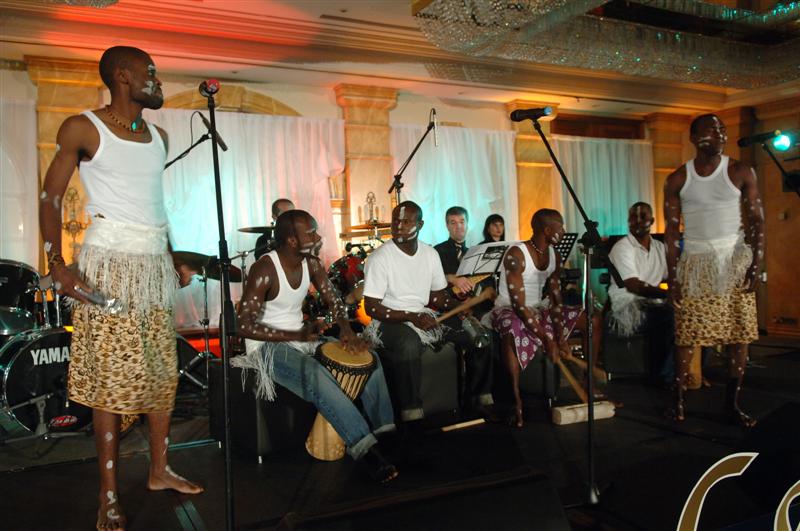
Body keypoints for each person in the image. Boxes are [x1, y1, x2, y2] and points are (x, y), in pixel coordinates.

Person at [39, 46, 201, 531]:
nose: (158, 80)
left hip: (152, 269)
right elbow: (50, 197)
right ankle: (107, 493)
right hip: (107, 268)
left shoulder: (159, 137)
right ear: (123, 76)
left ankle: (159, 470)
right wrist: (57, 264)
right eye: (150, 72)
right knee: (110, 380)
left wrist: (171, 257)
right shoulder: (83, 127)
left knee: (163, 372)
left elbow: (153, 207)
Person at [233, 209, 398, 483]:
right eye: (311, 233)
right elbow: (243, 326)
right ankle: (365, 450)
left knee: (369, 359)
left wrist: (346, 330)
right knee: (314, 374)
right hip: (266, 347)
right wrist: (294, 334)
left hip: (300, 338)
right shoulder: (264, 269)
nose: (318, 237)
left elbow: (334, 299)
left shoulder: (311, 263)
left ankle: (385, 432)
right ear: (292, 241)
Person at [663, 113, 763, 427]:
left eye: (722, 129)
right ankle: (679, 399)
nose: (719, 134)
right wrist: (673, 277)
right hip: (695, 264)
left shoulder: (740, 170)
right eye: (711, 130)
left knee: (739, 336)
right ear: (694, 138)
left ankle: (731, 404)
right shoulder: (679, 178)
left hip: (734, 261)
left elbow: (757, 221)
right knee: (687, 335)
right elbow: (671, 231)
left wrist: (756, 264)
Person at [490, 209, 602, 427]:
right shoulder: (516, 254)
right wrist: (546, 338)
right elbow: (519, 306)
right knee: (512, 326)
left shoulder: (555, 256)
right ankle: (516, 400)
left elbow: (556, 300)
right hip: (509, 308)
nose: (564, 231)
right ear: (547, 230)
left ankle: (587, 382)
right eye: (560, 227)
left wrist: (559, 336)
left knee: (592, 319)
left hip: (538, 307)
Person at [362, 201, 467, 425]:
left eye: (406, 221)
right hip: (388, 321)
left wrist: (456, 306)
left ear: (420, 224)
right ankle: (411, 414)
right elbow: (372, 308)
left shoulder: (430, 254)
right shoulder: (379, 258)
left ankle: (479, 400)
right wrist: (410, 316)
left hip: (422, 314)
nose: (399, 226)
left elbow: (436, 297)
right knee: (409, 343)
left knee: (474, 334)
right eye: (395, 221)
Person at [433, 206, 496, 418]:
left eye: (461, 222)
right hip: (447, 312)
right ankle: (470, 400)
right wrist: (452, 278)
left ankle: (481, 395)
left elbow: (486, 285)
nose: (458, 227)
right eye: (453, 222)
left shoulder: (475, 253)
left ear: (468, 224)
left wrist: (483, 293)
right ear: (446, 226)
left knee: (487, 338)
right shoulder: (437, 252)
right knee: (476, 340)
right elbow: (431, 280)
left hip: (473, 311)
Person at [607, 202, 673, 385]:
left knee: (691, 313)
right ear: (628, 221)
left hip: (654, 302)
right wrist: (667, 295)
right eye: (633, 217)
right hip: (629, 306)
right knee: (670, 316)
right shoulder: (622, 247)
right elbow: (633, 286)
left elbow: (671, 278)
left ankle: (690, 373)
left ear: (652, 221)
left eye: (642, 216)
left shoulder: (660, 247)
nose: (637, 221)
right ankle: (664, 377)